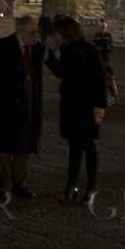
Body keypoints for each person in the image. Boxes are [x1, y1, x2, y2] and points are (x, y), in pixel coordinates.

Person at [44, 17, 107, 204]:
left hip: (87, 105)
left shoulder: (88, 50)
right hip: (71, 104)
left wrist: (99, 106)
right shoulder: (66, 50)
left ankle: (91, 188)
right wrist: (51, 54)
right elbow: (62, 73)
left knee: (89, 147)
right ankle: (72, 186)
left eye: (58, 32)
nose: (55, 35)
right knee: (74, 147)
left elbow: (100, 79)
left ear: (66, 33)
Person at [0, 13, 43, 196]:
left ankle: (20, 184)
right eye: (33, 33)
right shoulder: (2, 47)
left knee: (25, 145)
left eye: (37, 32)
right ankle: (2, 185)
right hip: (7, 105)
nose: (36, 36)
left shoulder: (38, 49)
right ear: (21, 32)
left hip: (30, 104)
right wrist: (2, 95)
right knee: (6, 148)